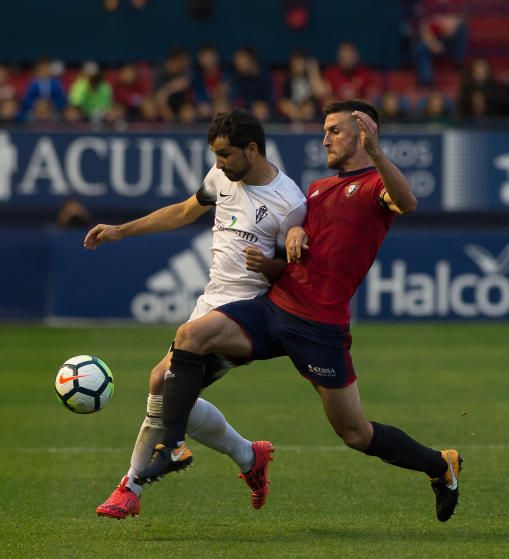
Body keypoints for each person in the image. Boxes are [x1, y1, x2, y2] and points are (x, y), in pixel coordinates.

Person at [137, 99, 463, 523]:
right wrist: (287, 245)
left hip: (319, 328)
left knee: (355, 433)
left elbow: (407, 203)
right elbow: (297, 260)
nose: (325, 138)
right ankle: (173, 445)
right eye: (324, 130)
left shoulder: (372, 186)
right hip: (274, 308)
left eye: (335, 130)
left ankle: (441, 466)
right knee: (190, 336)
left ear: (365, 134)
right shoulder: (317, 189)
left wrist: (380, 154)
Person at [83, 108, 307, 518]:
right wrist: (120, 230)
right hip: (209, 302)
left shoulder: (289, 203)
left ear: (252, 149)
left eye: (225, 154)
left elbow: (295, 271)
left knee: (161, 381)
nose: (218, 162)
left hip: (244, 314)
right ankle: (247, 456)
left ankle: (130, 486)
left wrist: (273, 266)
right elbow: (185, 211)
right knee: (166, 388)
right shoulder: (221, 178)